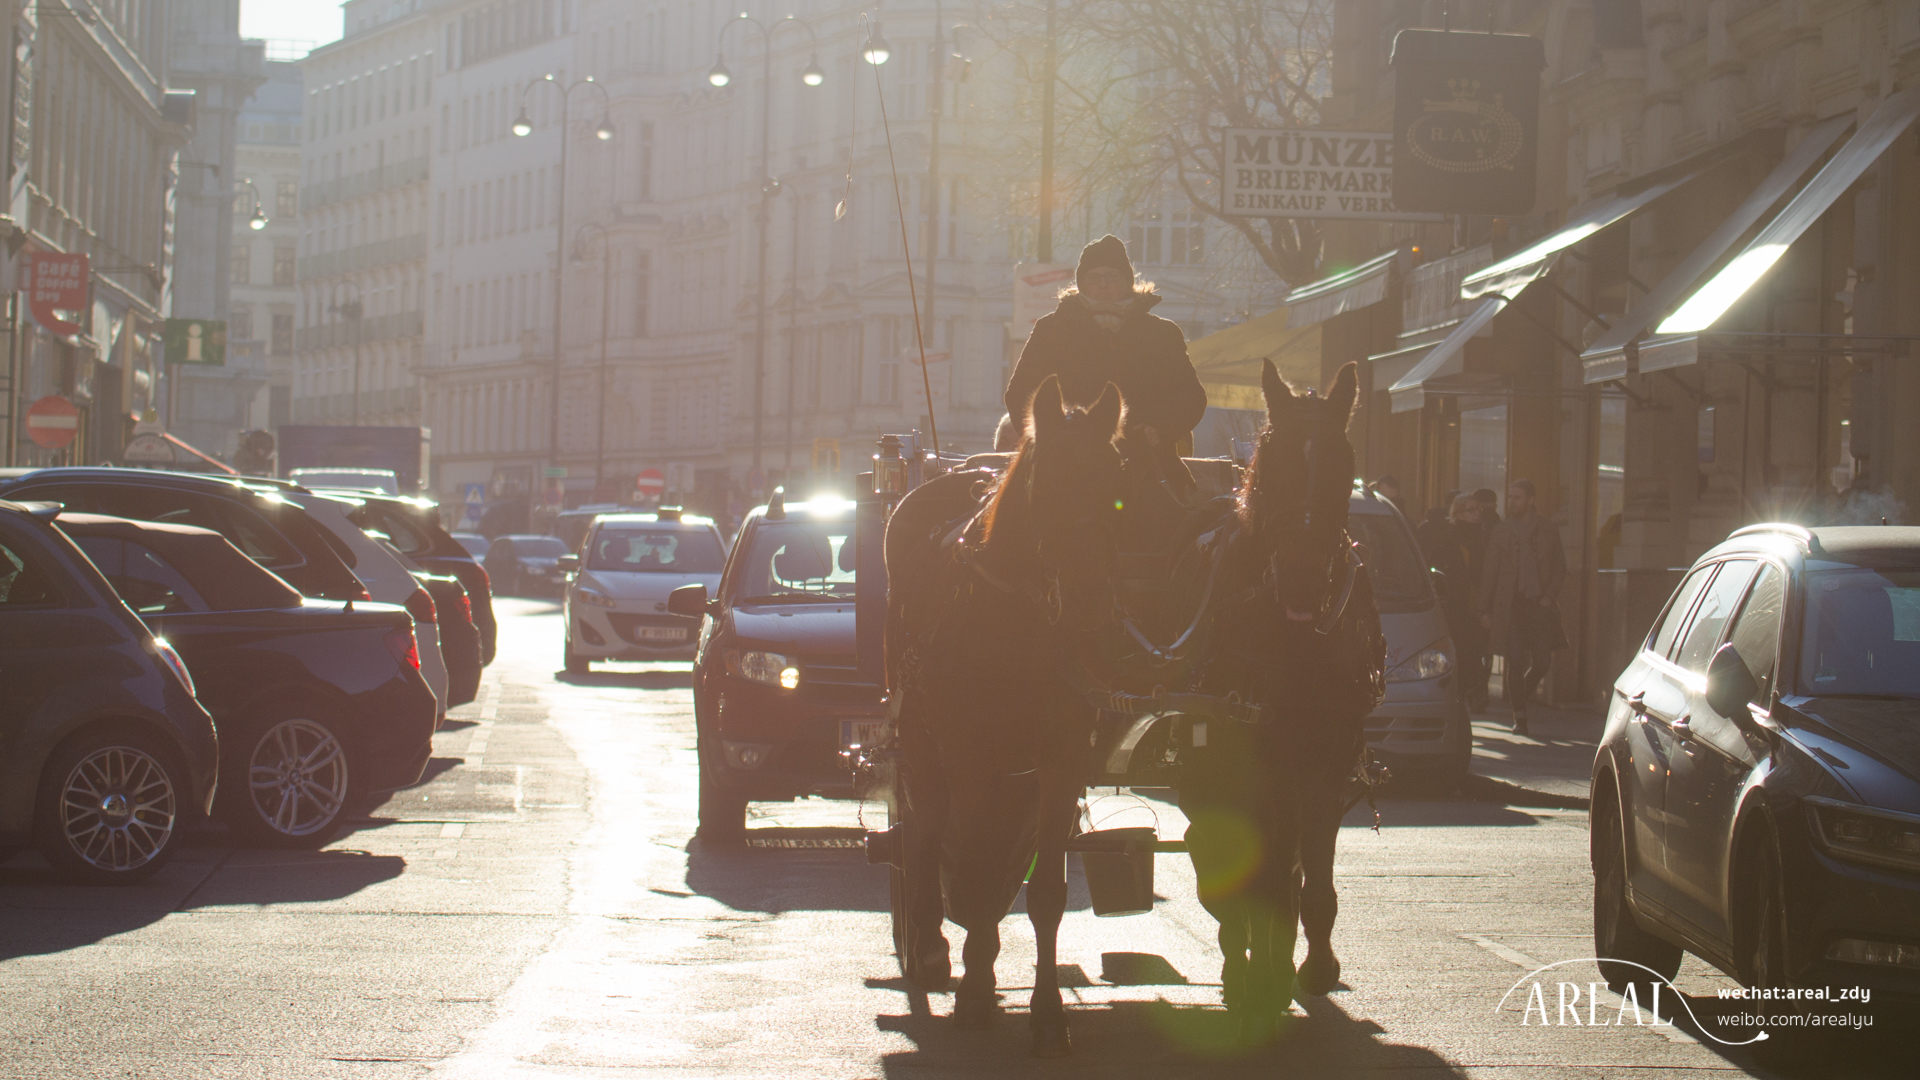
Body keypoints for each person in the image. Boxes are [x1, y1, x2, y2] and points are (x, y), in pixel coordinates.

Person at [1003, 234, 1206, 486]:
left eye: (1111, 276)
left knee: (1182, 514)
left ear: (1128, 281)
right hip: (1064, 462)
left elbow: (1191, 395)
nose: (1103, 284)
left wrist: (1158, 426)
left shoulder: (1162, 333)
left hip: (1146, 458)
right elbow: (1020, 392)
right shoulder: (1051, 329)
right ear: (1081, 283)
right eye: (1093, 277)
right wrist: (1051, 435)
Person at [1474, 479, 1565, 734]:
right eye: (1511, 497)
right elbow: (1489, 573)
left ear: (1531, 500)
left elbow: (1560, 567)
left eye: (1517, 497)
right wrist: (1482, 609)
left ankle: (1520, 694)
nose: (1512, 502)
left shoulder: (1548, 529)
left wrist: (1548, 596)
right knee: (1514, 659)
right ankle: (1520, 716)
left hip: (1538, 605)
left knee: (1543, 661)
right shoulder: (1501, 532)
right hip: (1510, 607)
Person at [1448, 493, 1490, 711]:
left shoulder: (1483, 538)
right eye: (1471, 510)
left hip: (1477, 605)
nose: (1476, 515)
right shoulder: (1450, 537)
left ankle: (1475, 691)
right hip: (1456, 606)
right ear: (1459, 514)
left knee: (1477, 651)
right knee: (1461, 652)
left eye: (1478, 510)